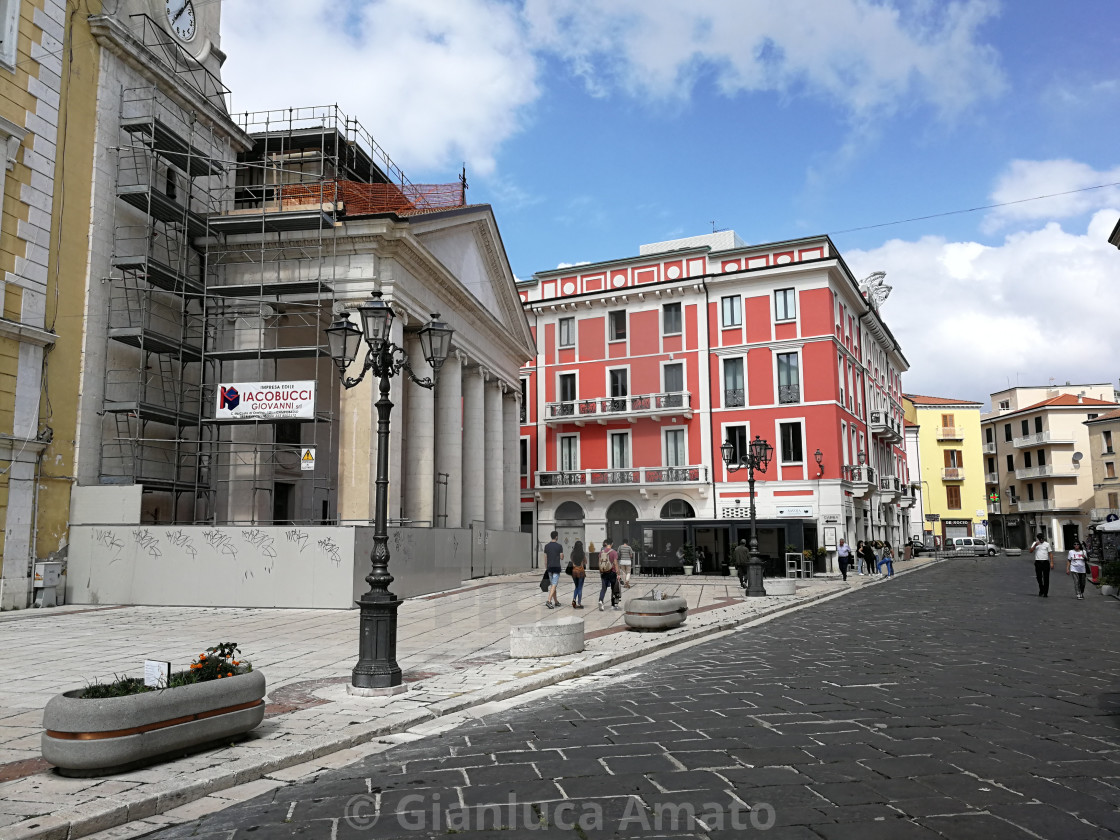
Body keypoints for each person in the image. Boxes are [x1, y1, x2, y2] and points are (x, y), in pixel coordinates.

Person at [543, 531, 564, 609]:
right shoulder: (559, 546)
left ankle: (556, 602)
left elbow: (545, 558)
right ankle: (548, 601)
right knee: (554, 585)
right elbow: (562, 557)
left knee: (553, 585)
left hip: (549, 568)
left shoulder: (546, 546)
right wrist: (562, 555)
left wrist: (546, 567)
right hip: (556, 568)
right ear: (556, 537)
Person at [598, 538, 621, 610]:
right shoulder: (614, 552)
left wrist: (601, 571)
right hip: (612, 572)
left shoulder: (601, 552)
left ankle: (601, 601)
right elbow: (615, 563)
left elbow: (599, 562)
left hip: (604, 572)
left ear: (605, 543)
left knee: (603, 588)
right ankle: (613, 604)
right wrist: (618, 573)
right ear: (612, 544)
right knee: (613, 588)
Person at [1030, 531, 1054, 597]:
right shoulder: (1035, 543)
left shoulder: (1047, 544)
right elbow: (1030, 551)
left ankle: (1045, 592)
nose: (1041, 540)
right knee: (1039, 577)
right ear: (1038, 538)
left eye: (1042, 538)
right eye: (1040, 539)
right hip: (1038, 562)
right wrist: (1035, 546)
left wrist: (1051, 562)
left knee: (1046, 578)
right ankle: (1041, 589)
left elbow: (1050, 553)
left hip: (1045, 562)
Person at [568, 540, 587, 608]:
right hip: (581, 571)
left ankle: (574, 600)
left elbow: (572, 561)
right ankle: (579, 603)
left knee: (576, 587)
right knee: (580, 588)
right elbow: (585, 562)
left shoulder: (572, 553)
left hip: (574, 571)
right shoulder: (583, 554)